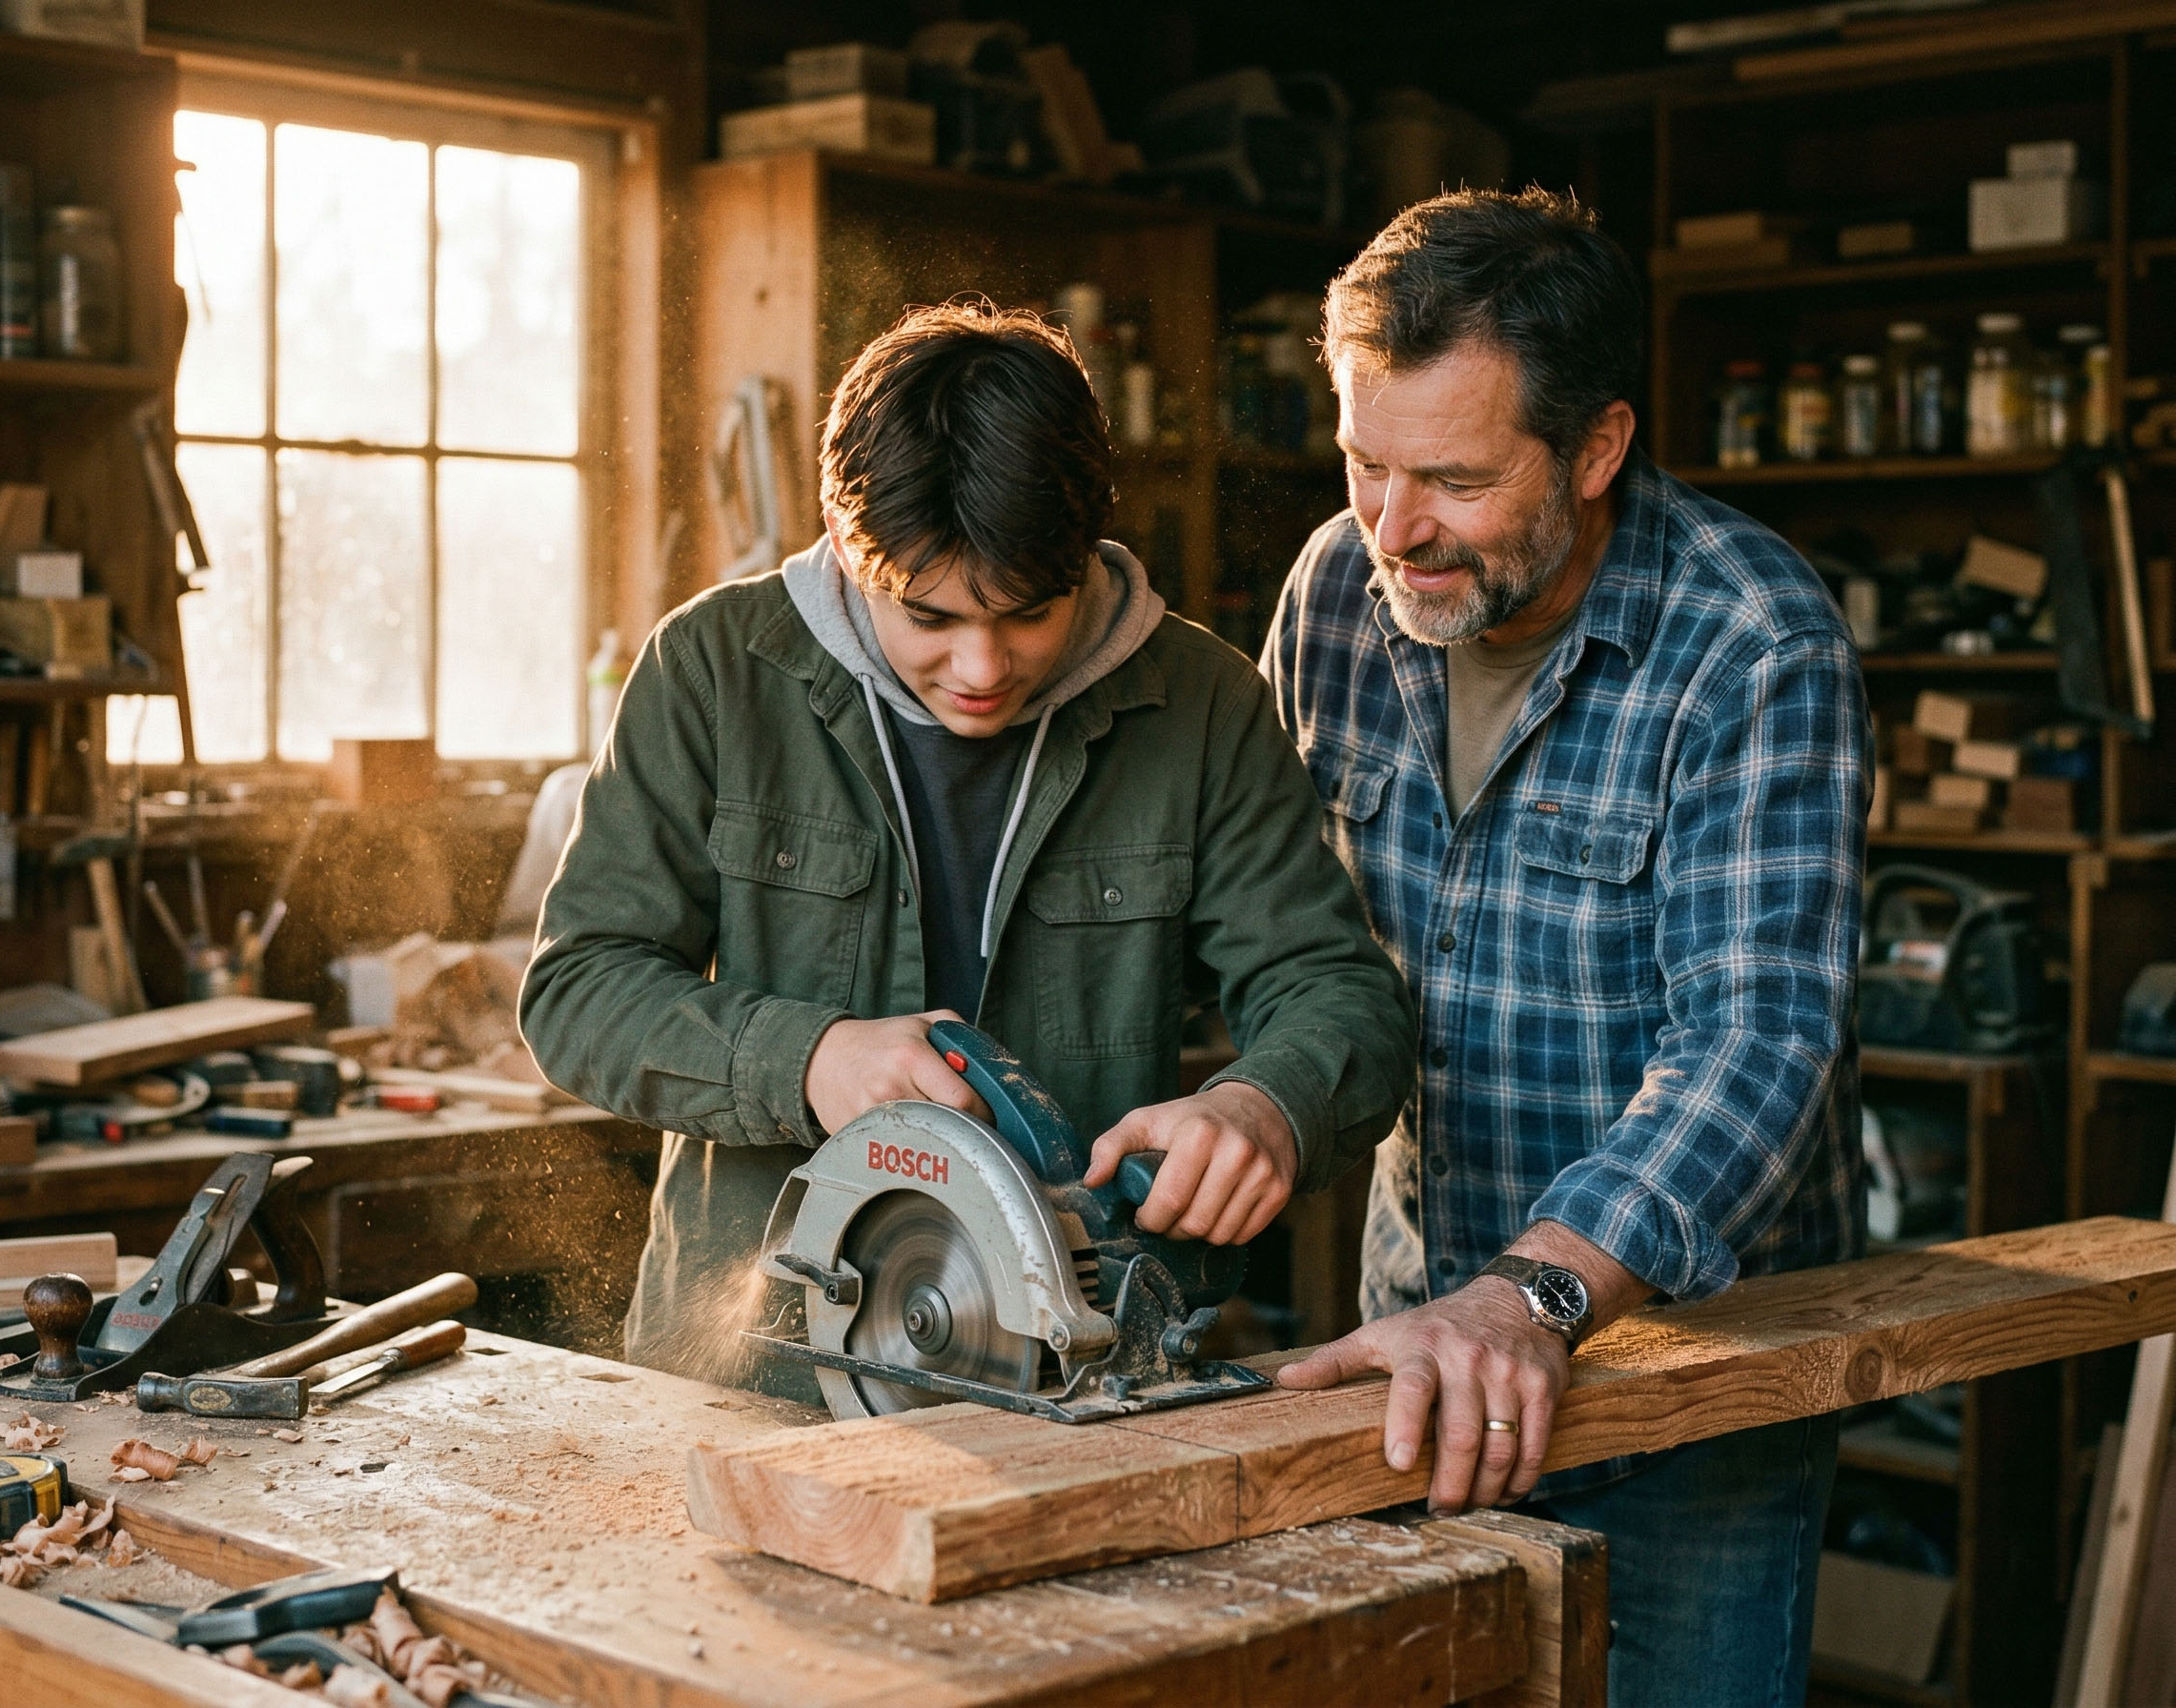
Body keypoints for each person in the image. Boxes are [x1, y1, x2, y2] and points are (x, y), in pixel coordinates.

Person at [521, 301, 1416, 1405]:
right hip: (764, 1367)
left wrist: (1269, 1104)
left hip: (1081, 1374)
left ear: (1089, 543)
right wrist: (811, 1059)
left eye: (1031, 613)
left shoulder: (1202, 704)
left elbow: (1338, 993)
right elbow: (575, 991)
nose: (983, 665)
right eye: (930, 616)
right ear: (847, 544)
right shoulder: (712, 672)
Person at [1262, 189, 1870, 1704]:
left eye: (1454, 481)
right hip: (1420, 1346)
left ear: (1596, 450)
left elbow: (1757, 1037)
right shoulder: (1339, 587)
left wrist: (1528, 1297)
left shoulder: (1754, 637)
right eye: (1363, 462)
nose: (1394, 531)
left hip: (1692, 1381)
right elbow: (1278, 929)